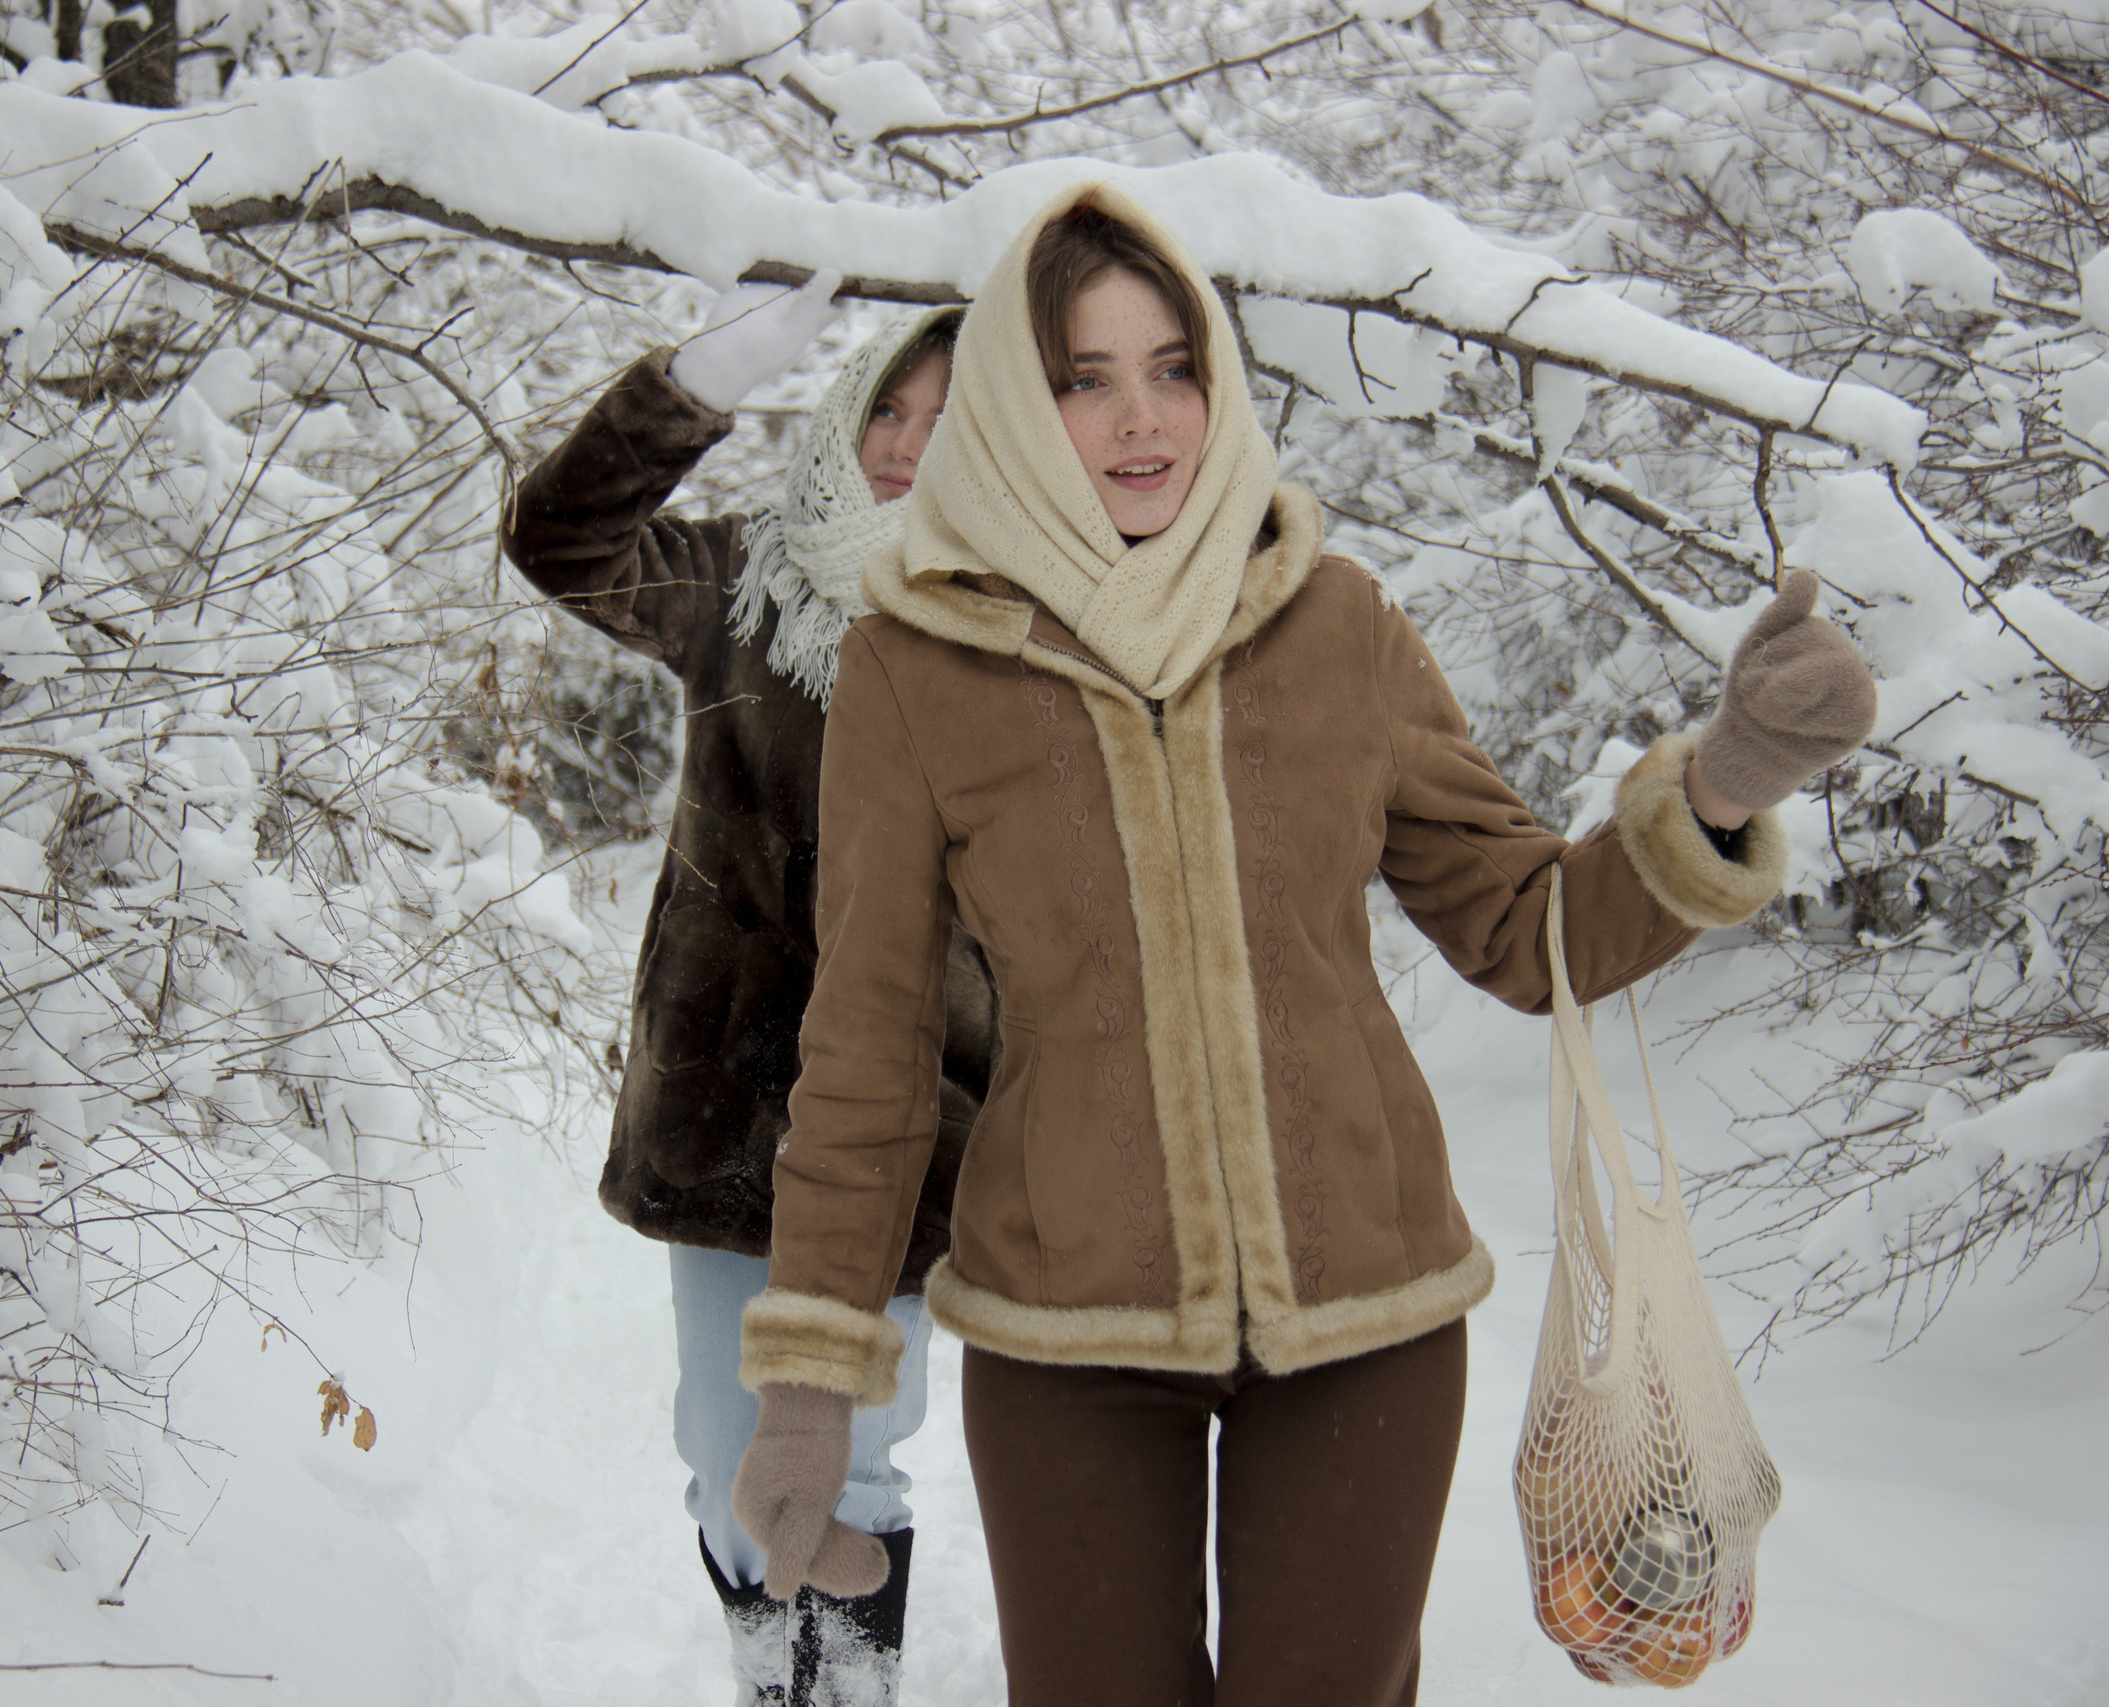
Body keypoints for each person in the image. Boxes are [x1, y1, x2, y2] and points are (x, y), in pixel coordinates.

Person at [729, 185, 1877, 1707]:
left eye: (1174, 368)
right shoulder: (916, 662)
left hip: (1364, 1316)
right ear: (1010, 403)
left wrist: (1725, 781)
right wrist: (810, 1382)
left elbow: (1526, 928)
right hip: (1065, 1330)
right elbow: (867, 1043)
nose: (1144, 419)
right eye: (1085, 379)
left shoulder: (1333, 621)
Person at [501, 280, 989, 1705]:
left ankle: (849, 1694)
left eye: (950, 421)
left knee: (860, 1454)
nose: (906, 446)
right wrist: (693, 386)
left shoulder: (1017, 630)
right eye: (888, 408)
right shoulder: (743, 582)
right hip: (724, 1114)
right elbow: (559, 539)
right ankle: (775, 1683)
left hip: (911, 1124)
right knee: (727, 1450)